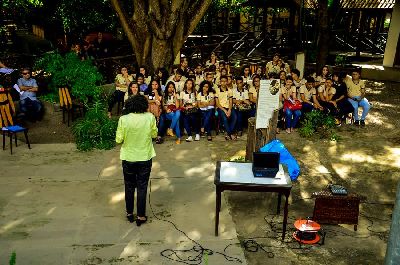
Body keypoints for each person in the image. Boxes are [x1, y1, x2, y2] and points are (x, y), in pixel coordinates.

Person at [116, 95, 157, 226]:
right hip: (145, 157)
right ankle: (140, 216)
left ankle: (129, 213)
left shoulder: (123, 119)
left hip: (128, 157)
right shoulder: (150, 117)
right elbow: (154, 134)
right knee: (142, 186)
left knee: (128, 185)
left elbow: (118, 139)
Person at [215, 75, 237, 140]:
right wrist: (225, 110)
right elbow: (217, 103)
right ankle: (230, 134)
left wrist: (229, 110)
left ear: (227, 82)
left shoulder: (230, 90)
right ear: (220, 82)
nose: (223, 83)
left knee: (235, 117)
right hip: (221, 108)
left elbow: (231, 102)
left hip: (229, 107)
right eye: (222, 81)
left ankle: (228, 134)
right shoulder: (217, 90)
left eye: (225, 81)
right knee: (224, 118)